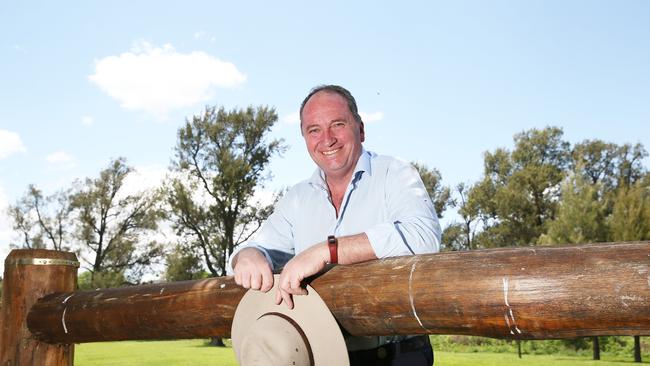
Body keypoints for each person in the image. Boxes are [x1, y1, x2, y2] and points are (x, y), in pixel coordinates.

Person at [230, 84, 440, 365]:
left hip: (396, 354)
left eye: (337, 124)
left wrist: (326, 251)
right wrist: (248, 256)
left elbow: (423, 236)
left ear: (361, 129)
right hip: (321, 353)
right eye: (314, 130)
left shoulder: (395, 173)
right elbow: (256, 246)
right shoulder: (297, 198)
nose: (326, 139)